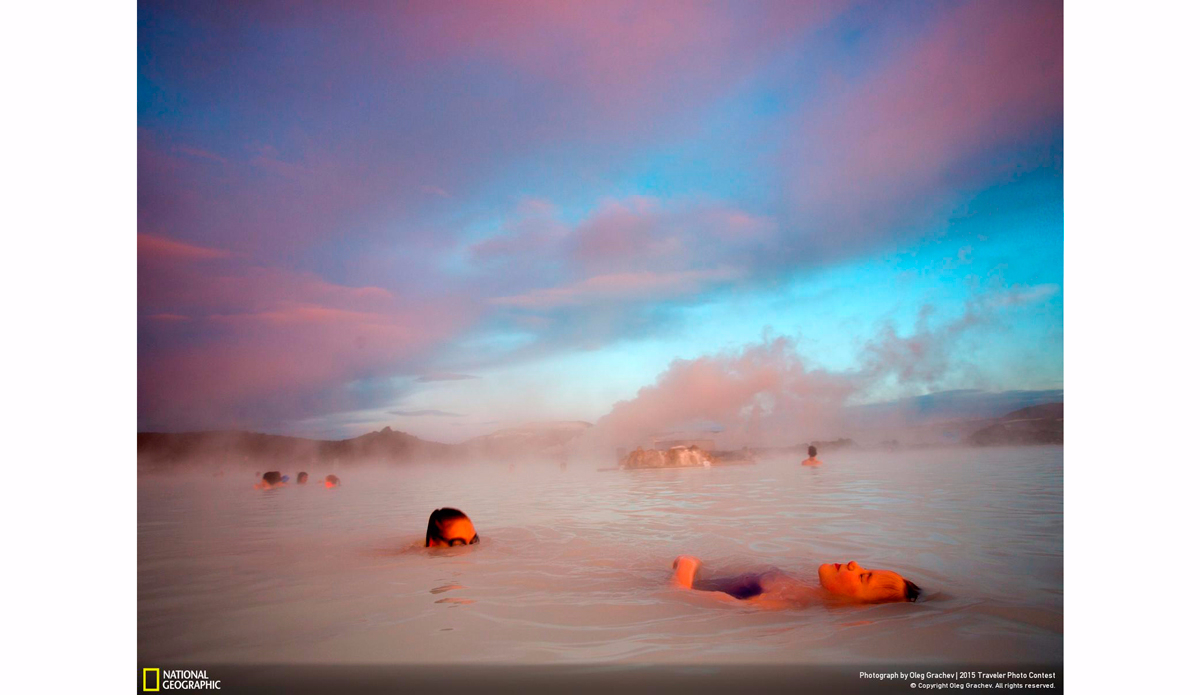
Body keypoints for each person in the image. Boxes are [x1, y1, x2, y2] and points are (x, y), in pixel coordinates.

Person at [670, 556, 919, 608]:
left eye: (864, 576)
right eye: (866, 567)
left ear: (854, 605)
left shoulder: (784, 604)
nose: (855, 563)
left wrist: (687, 564)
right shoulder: (803, 588)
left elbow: (678, 594)